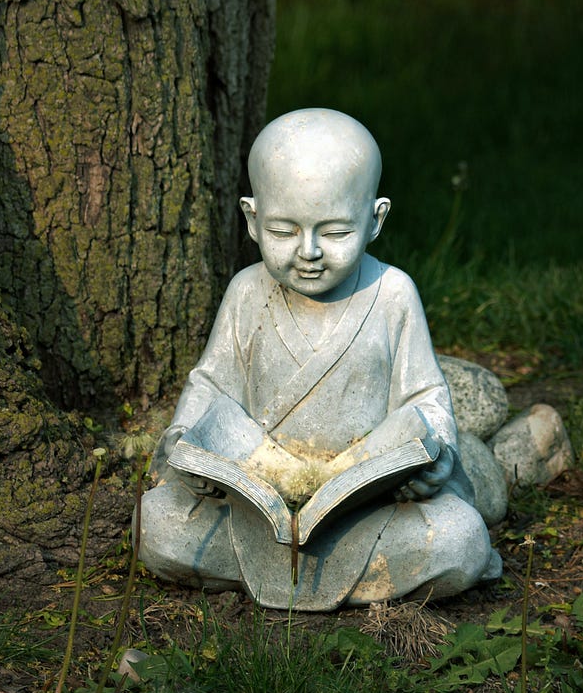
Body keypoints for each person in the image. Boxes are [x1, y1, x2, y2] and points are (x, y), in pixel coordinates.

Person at [138, 109, 499, 609]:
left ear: (375, 220)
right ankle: (358, 584)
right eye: (284, 231)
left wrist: (432, 460)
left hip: (366, 509)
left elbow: (426, 399)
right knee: (157, 523)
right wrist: (187, 447)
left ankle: (313, 575)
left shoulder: (391, 294)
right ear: (252, 219)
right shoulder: (246, 293)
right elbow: (211, 387)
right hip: (257, 508)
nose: (308, 252)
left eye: (333, 233)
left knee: (459, 537)